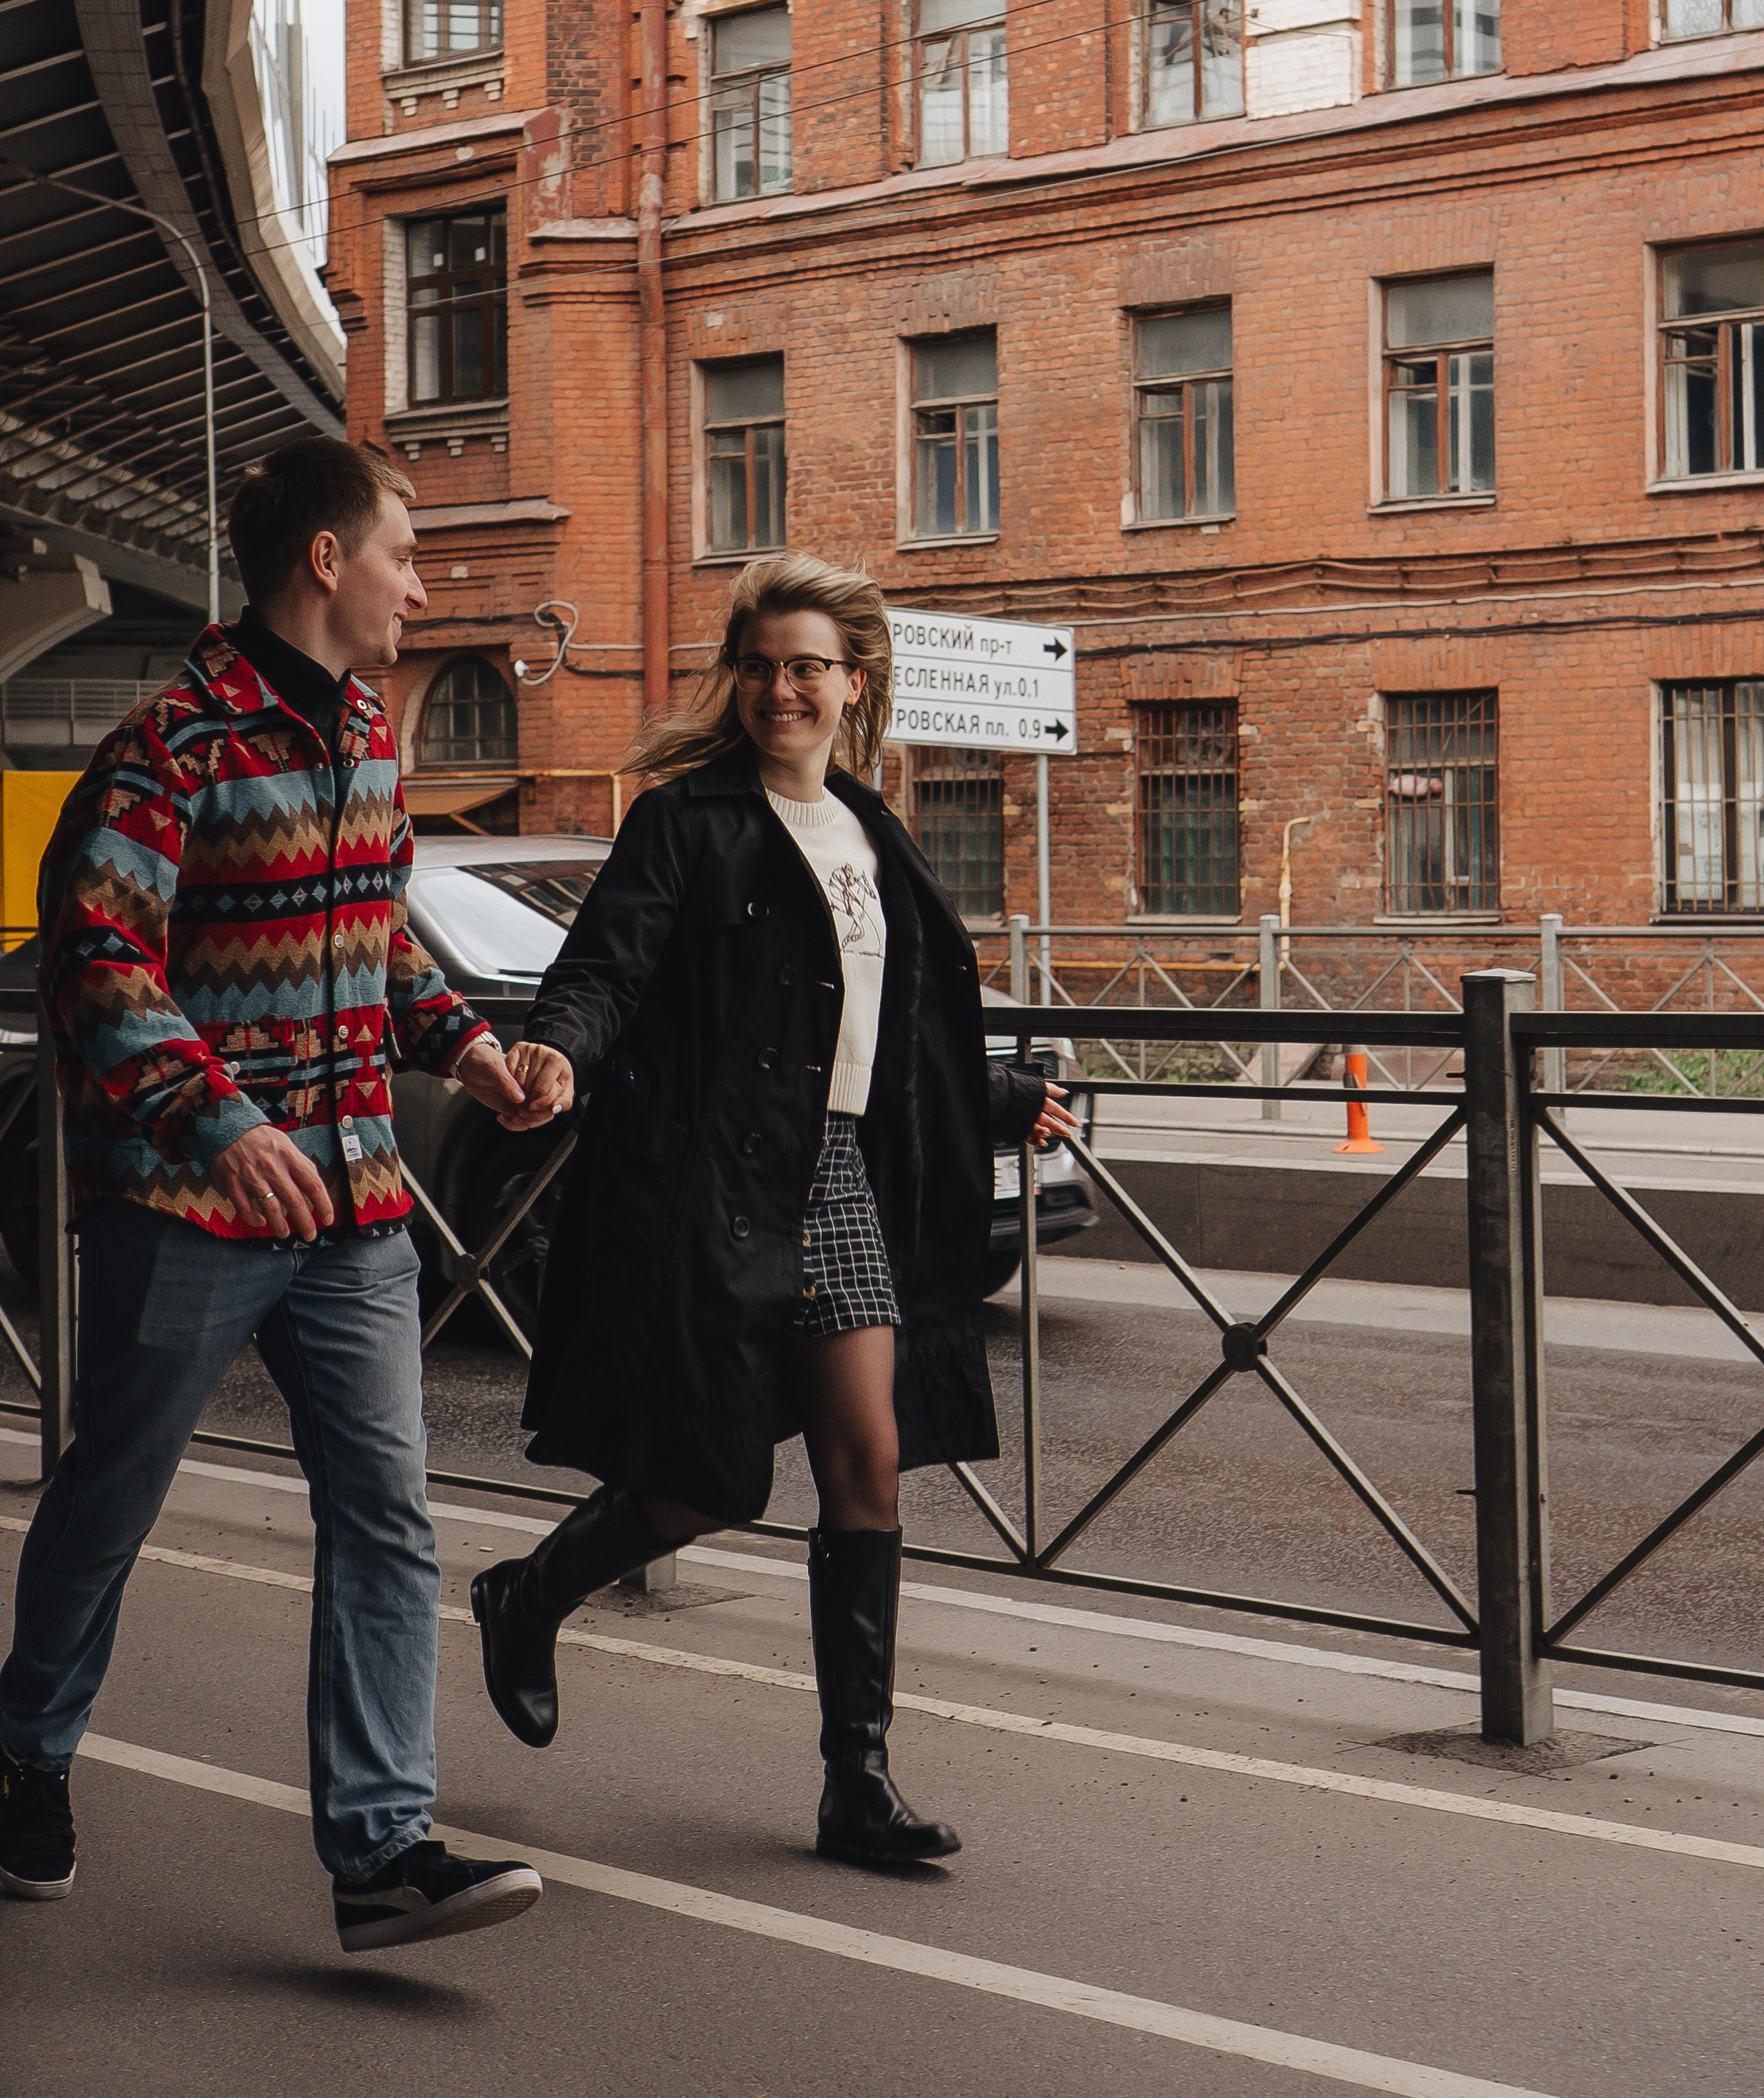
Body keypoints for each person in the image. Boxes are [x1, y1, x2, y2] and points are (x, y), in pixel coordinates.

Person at [0, 438, 571, 1952]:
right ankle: (24, 1757)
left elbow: (377, 945)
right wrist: (208, 1115)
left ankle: (381, 1850)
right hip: (187, 1211)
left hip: (357, 1207)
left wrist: (479, 1053)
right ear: (327, 559)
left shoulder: (368, 732)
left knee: (386, 1514)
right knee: (110, 1494)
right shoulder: (174, 740)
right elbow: (96, 955)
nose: (422, 580)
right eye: (405, 550)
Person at [472, 552, 1078, 1866]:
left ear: (854, 685)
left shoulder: (874, 833)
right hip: (719, 1189)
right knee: (708, 1481)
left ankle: (854, 1785)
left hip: (847, 1180)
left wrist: (994, 1097)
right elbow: (605, 969)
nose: (781, 689)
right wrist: (561, 1051)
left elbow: (891, 1028)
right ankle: (529, 1594)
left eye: (807, 667)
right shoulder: (688, 823)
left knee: (867, 1467)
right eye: (760, 667)